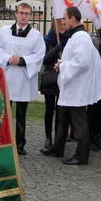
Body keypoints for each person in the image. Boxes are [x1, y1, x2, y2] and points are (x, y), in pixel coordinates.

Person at [42, 7, 101, 165]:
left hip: (77, 87)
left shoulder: (81, 38)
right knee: (62, 117)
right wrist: (63, 63)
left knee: (79, 122)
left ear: (73, 19)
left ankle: (81, 156)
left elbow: (82, 63)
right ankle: (58, 147)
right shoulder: (75, 36)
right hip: (70, 86)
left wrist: (63, 66)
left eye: (64, 18)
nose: (62, 21)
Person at [0, 2, 45, 155]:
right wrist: (8, 58)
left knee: (21, 114)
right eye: (21, 12)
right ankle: (2, 140)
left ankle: (20, 143)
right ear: (15, 13)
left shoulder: (36, 35)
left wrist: (21, 60)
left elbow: (39, 55)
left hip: (23, 78)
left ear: (30, 16)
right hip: (7, 76)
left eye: (27, 13)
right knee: (3, 111)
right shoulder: (4, 31)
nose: (23, 16)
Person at [40, 18, 69, 150]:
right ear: (54, 26)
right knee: (49, 110)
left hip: (63, 78)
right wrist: (56, 49)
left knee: (61, 111)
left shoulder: (69, 39)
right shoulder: (47, 39)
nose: (62, 27)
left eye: (64, 24)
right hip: (51, 77)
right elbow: (45, 60)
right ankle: (48, 137)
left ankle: (59, 137)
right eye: (60, 25)